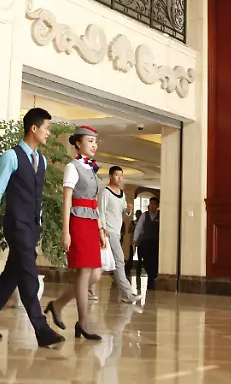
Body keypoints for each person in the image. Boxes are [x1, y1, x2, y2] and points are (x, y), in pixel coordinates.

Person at [0, 108, 64, 346]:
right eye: (46, 128)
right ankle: (41, 328)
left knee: (11, 275)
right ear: (33, 128)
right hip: (16, 224)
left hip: (32, 226)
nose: (48, 133)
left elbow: (36, 196)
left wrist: (39, 223)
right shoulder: (11, 157)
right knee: (29, 274)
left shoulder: (42, 160)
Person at [45, 126, 107, 341]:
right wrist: (66, 231)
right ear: (78, 143)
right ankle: (83, 322)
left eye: (95, 141)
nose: (94, 145)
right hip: (78, 222)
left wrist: (100, 228)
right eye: (90, 140)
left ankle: (57, 304)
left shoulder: (92, 169)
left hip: (91, 222)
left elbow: (94, 202)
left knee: (95, 274)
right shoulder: (72, 167)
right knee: (84, 272)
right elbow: (67, 200)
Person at [98, 165, 140, 304]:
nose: (119, 178)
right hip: (108, 232)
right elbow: (101, 211)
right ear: (110, 176)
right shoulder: (105, 192)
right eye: (117, 175)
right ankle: (128, 294)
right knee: (119, 261)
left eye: (121, 176)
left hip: (117, 232)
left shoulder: (122, 194)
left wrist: (128, 211)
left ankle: (88, 287)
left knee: (104, 262)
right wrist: (103, 229)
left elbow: (123, 213)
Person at [134, 197, 160, 291]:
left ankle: (152, 279)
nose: (151, 206)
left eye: (154, 204)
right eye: (150, 204)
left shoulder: (160, 215)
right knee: (146, 261)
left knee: (155, 261)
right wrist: (135, 239)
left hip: (156, 243)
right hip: (146, 242)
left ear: (157, 206)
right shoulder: (144, 215)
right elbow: (139, 227)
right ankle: (151, 276)